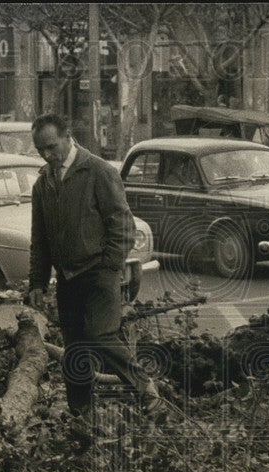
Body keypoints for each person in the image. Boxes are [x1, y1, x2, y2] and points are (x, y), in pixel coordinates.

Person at [27, 113, 165, 427]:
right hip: (67, 279)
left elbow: (123, 226)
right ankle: (81, 415)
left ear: (66, 136)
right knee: (75, 347)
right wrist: (37, 282)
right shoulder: (43, 183)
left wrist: (109, 268)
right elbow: (40, 239)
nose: (48, 155)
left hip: (99, 273)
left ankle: (147, 390)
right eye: (41, 151)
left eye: (51, 147)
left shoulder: (98, 171)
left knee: (101, 336)